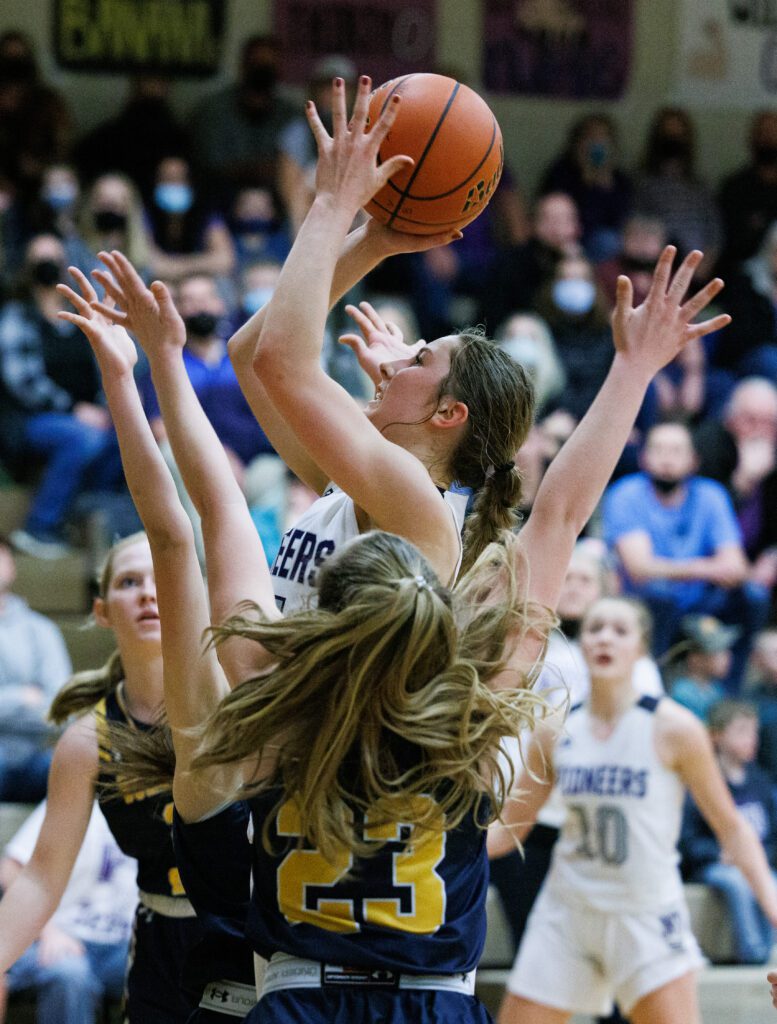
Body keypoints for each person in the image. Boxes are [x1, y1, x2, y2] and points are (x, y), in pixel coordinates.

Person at [87, 76, 731, 1024]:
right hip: (369, 850)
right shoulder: (376, 503)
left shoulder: (414, 511)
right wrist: (387, 239)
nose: (391, 357)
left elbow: (255, 408)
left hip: (292, 769)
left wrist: (340, 206)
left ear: (446, 415)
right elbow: (261, 357)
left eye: (418, 357)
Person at [489, 596, 777, 1024]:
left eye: (620, 630)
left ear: (640, 648)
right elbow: (510, 826)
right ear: (581, 644)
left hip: (644, 912)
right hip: (568, 911)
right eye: (595, 628)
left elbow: (732, 829)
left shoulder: (675, 728)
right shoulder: (554, 728)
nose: (605, 637)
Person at [0, 526, 204, 1023]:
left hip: (249, 936)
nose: (149, 592)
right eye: (130, 581)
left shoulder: (238, 705)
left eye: (161, 576)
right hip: (158, 934)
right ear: (102, 610)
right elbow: (41, 880)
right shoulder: (86, 743)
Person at [602, 420, 770, 685]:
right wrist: (706, 568)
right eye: (658, 450)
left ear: (694, 460)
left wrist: (685, 570)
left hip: (701, 598)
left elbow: (735, 565)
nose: (667, 459)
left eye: (677, 451)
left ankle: (730, 692)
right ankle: (655, 687)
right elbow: (640, 568)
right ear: (644, 458)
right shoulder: (626, 494)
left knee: (753, 596)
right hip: (646, 599)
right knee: (660, 596)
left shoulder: (711, 495)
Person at [0, 233, 122, 557]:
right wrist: (73, 408)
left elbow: (105, 368)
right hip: (30, 420)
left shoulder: (82, 315)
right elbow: (22, 381)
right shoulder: (17, 315)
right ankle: (39, 527)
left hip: (89, 415)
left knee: (124, 440)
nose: (47, 265)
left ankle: (82, 518)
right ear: (25, 267)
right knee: (81, 439)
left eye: (53, 258)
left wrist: (103, 407)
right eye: (39, 259)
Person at [0, 799, 137, 1024]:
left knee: (166, 970)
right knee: (71, 974)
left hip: (122, 945)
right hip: (60, 936)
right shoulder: (76, 798)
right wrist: (47, 930)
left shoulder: (161, 808)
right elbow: (11, 867)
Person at [680, 699, 777, 965]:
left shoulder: (759, 781)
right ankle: (751, 951)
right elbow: (687, 841)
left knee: (768, 879)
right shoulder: (703, 782)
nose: (751, 739)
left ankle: (766, 949)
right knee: (736, 882)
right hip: (715, 864)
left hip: (755, 861)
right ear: (716, 736)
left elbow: (771, 837)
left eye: (754, 732)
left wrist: (759, 856)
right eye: (742, 731)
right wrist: (719, 853)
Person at [0, 533, 70, 801]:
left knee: (82, 768)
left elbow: (61, 711)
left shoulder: (42, 630)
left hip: (39, 754)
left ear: (12, 566)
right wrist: (23, 696)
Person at [539, 113, 632, 262]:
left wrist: (605, 186)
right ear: (578, 141)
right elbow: (552, 212)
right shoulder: (560, 172)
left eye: (603, 137)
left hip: (602, 248)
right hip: (565, 239)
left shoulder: (619, 179)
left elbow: (621, 223)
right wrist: (585, 181)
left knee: (608, 241)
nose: (597, 143)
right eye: (590, 137)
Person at [671, 614, 739, 721]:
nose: (727, 657)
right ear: (695, 658)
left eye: (727, 650)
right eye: (718, 652)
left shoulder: (716, 689)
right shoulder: (681, 694)